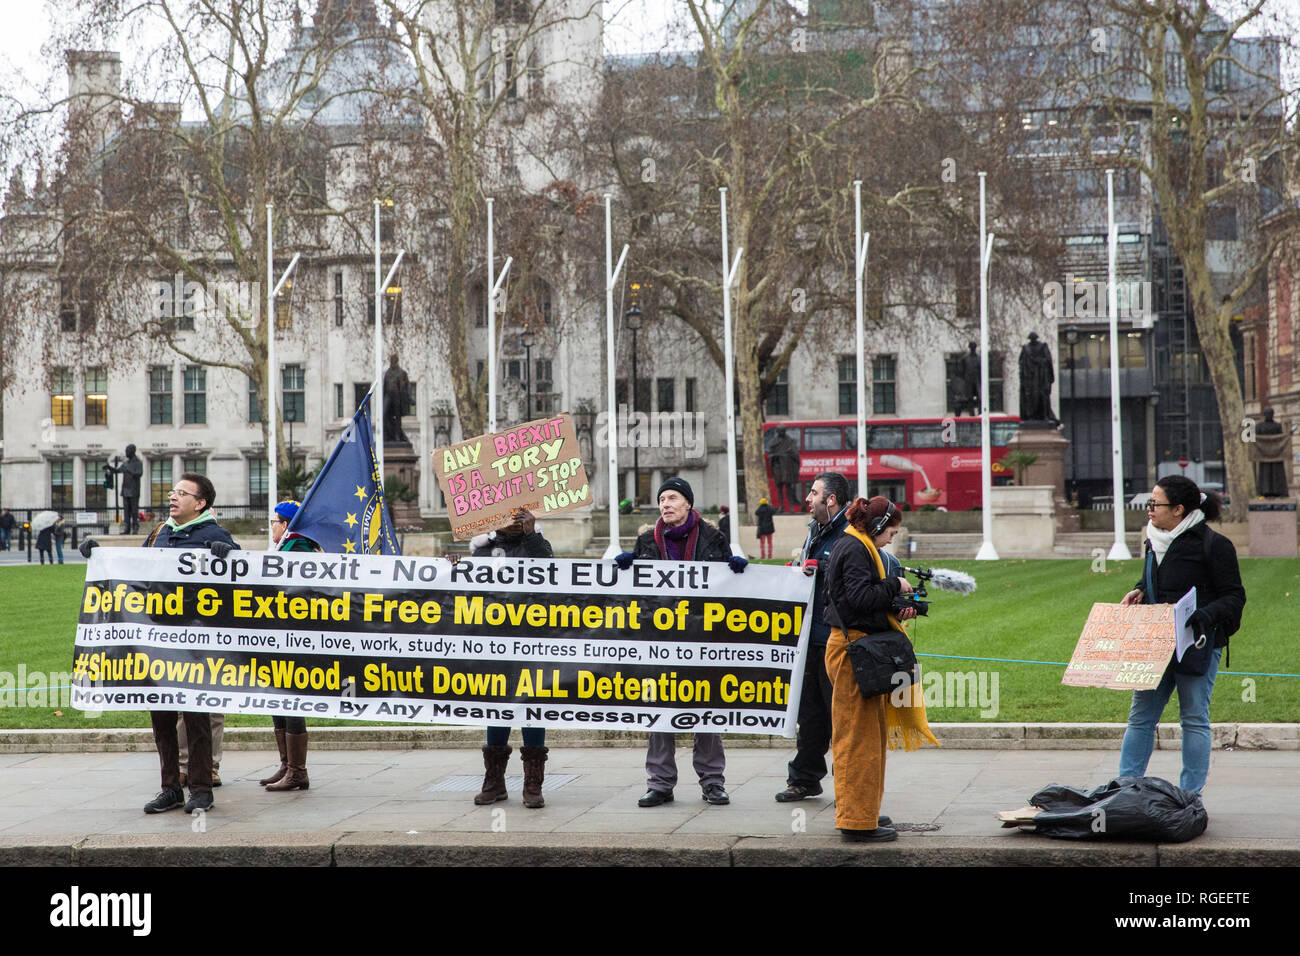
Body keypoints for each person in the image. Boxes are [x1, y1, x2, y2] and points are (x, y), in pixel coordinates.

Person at [82, 472, 236, 814]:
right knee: (162, 716)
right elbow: (134, 569)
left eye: (182, 493)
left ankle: (201, 789)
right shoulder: (160, 533)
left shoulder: (215, 535)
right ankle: (170, 788)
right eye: (173, 491)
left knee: (196, 717)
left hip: (196, 642)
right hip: (156, 639)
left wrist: (230, 555)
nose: (173, 497)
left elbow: (240, 581)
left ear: (200, 504)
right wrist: (98, 556)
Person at [617, 477, 746, 807]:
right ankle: (660, 783)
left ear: (688, 503)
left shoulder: (714, 538)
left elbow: (727, 593)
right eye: (661, 499)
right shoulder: (647, 541)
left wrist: (738, 573)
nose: (665, 504)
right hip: (661, 641)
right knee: (661, 712)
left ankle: (712, 781)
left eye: (672, 497)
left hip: (704, 640)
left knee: (706, 709)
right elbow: (641, 596)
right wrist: (629, 571)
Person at [1118, 476, 1245, 793]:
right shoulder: (1154, 540)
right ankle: (1123, 789)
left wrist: (1204, 615)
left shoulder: (1214, 545)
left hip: (1197, 645)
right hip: (1156, 642)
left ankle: (1190, 796)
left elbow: (1234, 597)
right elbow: (1160, 576)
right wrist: (1139, 589)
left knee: (1193, 719)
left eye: (1154, 503)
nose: (1149, 509)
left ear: (1178, 509)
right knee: (1140, 719)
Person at [823, 496, 937, 842]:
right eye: (891, 531)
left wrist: (895, 605)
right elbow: (860, 597)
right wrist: (896, 586)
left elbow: (860, 599)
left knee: (868, 738)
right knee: (857, 740)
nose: (892, 538)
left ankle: (863, 810)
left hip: (857, 647)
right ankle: (856, 823)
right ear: (876, 527)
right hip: (852, 652)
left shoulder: (853, 544)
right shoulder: (856, 549)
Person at [469, 508, 554, 808]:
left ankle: (533, 784)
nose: (514, 520)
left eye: (520, 515)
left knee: (532, 710)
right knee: (498, 710)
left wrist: (531, 536)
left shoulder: (539, 545)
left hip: (532, 644)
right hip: (496, 646)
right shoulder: (484, 550)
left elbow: (550, 577)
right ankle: (494, 781)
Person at [775, 473, 849, 803]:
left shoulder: (850, 531)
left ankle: (850, 781)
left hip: (838, 640)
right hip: (812, 640)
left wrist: (821, 565)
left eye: (814, 492)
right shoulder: (814, 531)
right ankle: (805, 778)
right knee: (811, 715)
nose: (808, 497)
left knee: (843, 717)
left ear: (830, 499)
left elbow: (868, 568)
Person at [258, 500, 319, 792]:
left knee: (290, 697)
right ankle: (286, 764)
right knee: (279, 698)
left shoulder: (299, 549)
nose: (271, 526)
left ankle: (297, 770)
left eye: (274, 521)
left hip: (293, 636)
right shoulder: (288, 548)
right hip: (280, 634)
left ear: (285, 525)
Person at [109, 445, 144, 534]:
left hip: (134, 490)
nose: (126, 453)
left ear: (132, 451)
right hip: (125, 490)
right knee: (126, 511)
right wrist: (110, 468)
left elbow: (139, 474)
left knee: (134, 510)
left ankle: (135, 527)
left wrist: (128, 470)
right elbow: (118, 470)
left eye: (127, 451)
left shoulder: (138, 463)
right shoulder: (126, 463)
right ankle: (127, 528)